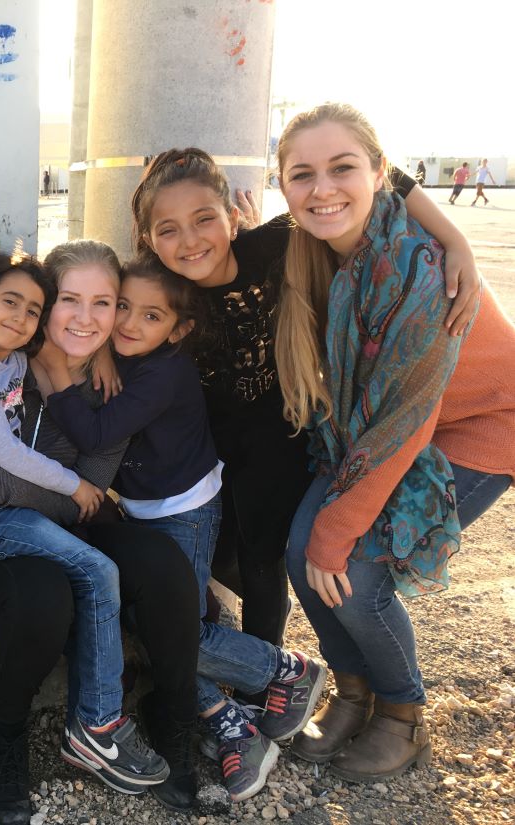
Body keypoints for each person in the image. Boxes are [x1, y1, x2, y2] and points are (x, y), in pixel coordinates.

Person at [129, 147, 480, 650]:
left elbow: (387, 177)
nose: (189, 241)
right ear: (148, 240)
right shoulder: (157, 293)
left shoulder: (273, 247)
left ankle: (265, 681)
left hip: (279, 438)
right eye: (169, 229)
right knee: (221, 557)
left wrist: (456, 240)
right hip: (202, 447)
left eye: (203, 219)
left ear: (232, 219)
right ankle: (250, 642)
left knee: (261, 562)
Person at [275, 102, 515, 782]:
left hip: (480, 424)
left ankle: (403, 714)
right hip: (384, 428)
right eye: (302, 175)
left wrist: (337, 529)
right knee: (301, 552)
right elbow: (388, 423)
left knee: (356, 575)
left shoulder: (417, 264)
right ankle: (355, 692)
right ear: (284, 187)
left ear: (381, 173)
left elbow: (404, 421)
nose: (322, 189)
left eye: (342, 168)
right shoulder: (319, 247)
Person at [38, 256, 326, 801]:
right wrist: (97, 351)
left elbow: (97, 434)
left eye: (151, 317)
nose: (127, 324)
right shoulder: (126, 355)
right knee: (159, 628)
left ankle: (285, 669)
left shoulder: (165, 372)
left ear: (180, 330)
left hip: (185, 511)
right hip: (147, 510)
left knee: (181, 631)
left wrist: (55, 375)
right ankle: (225, 710)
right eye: (122, 307)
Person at [0, 252, 171, 798]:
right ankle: (76, 730)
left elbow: (76, 492)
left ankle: (111, 722)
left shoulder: (31, 366)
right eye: (65, 302)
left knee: (123, 572)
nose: (23, 318)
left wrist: (72, 372)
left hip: (10, 511)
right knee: (88, 577)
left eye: (102, 303)